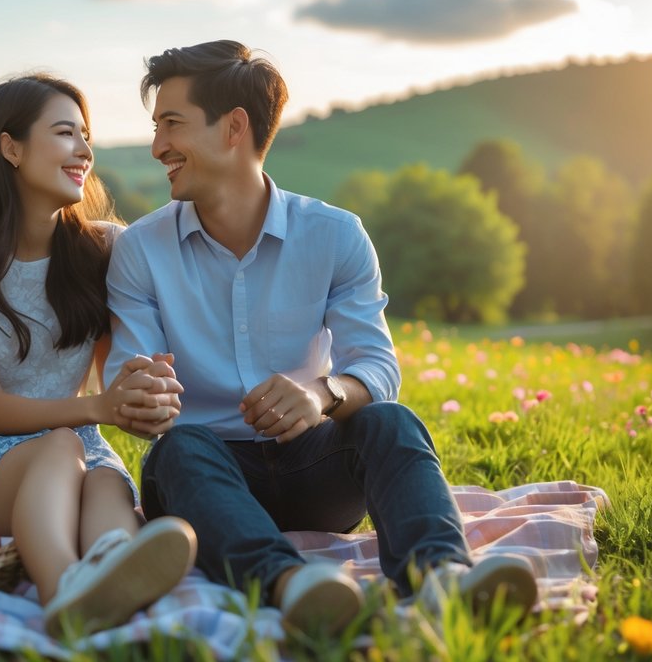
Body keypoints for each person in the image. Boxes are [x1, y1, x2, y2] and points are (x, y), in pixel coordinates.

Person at [104, 40, 537, 635]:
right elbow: (127, 376)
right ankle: (296, 587)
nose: (157, 148)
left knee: (392, 421)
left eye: (172, 126)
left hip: (316, 468)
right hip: (202, 479)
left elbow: (376, 363)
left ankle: (443, 580)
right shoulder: (139, 251)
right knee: (180, 449)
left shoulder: (335, 236)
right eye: (156, 129)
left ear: (234, 128)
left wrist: (322, 393)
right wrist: (138, 394)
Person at [0, 74, 196, 637]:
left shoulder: (104, 247)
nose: (84, 151)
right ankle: (64, 593)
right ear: (10, 147)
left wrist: (142, 397)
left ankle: (114, 573)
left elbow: (115, 376)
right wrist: (100, 409)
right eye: (64, 133)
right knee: (62, 450)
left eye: (86, 135)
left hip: (75, 448)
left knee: (106, 483)